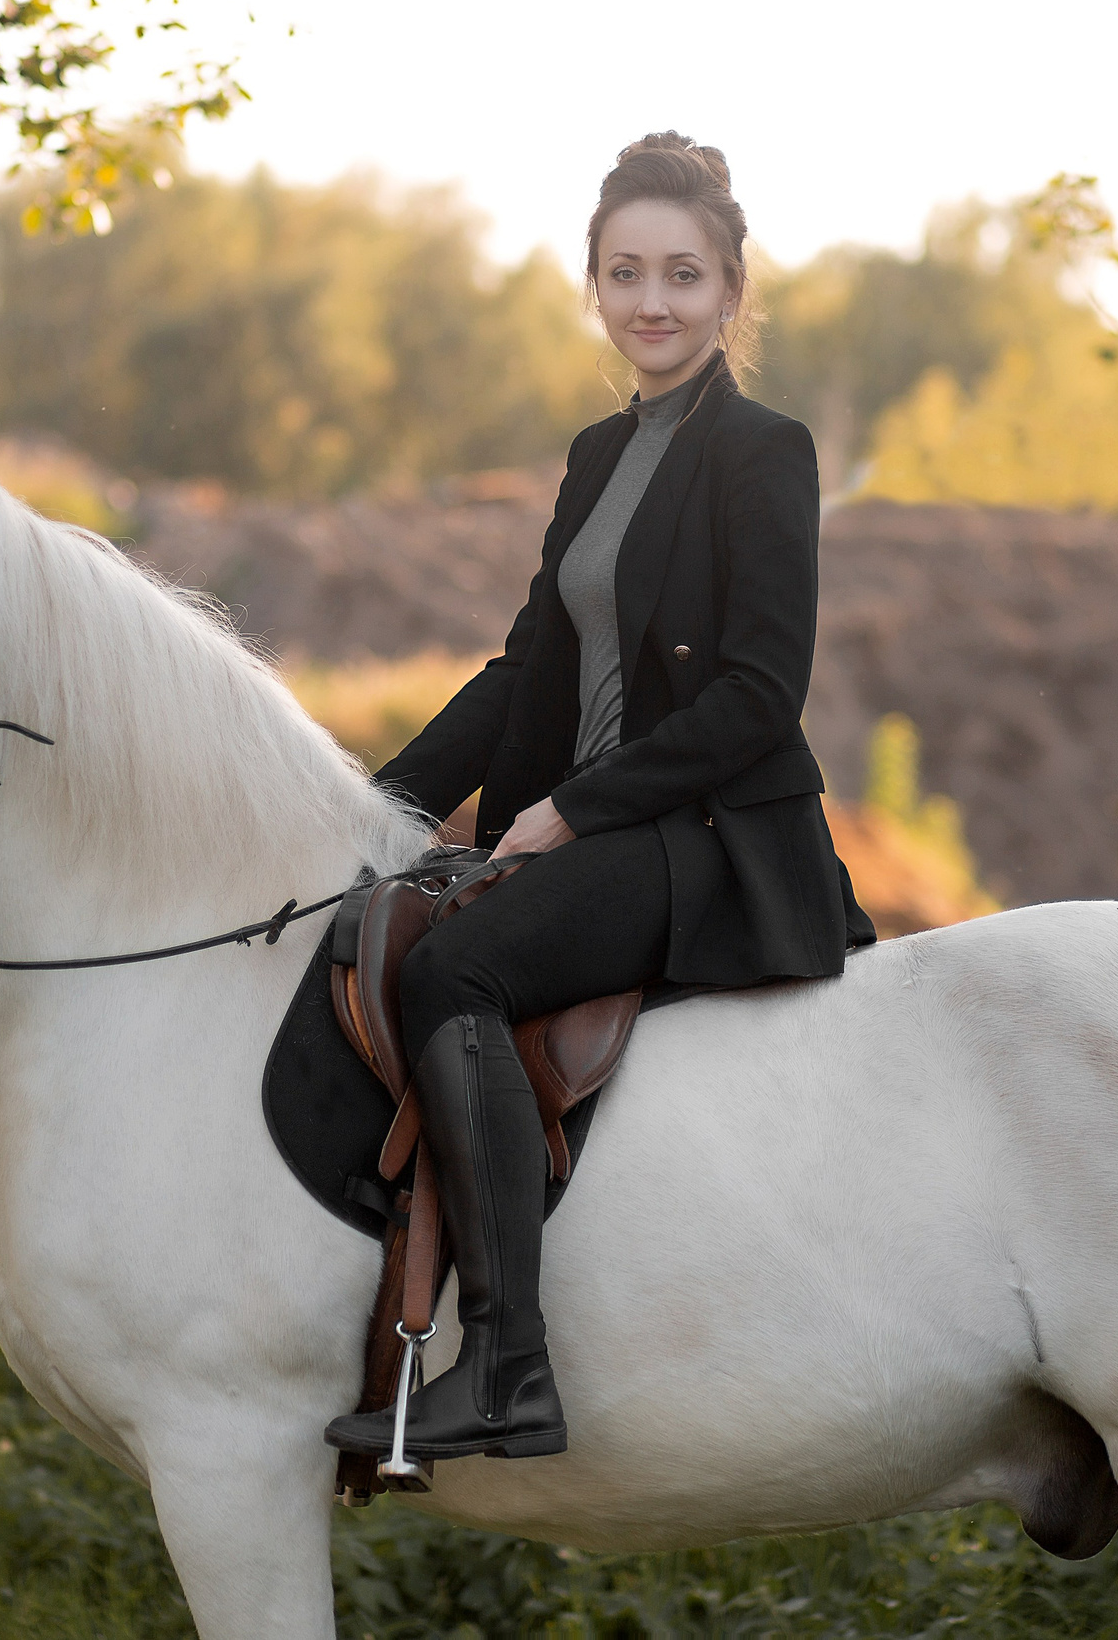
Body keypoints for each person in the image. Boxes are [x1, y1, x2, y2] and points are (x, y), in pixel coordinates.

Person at [324, 132, 876, 1466]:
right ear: (593, 285)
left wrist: (572, 812)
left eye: (683, 274)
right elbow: (529, 670)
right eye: (626, 273)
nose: (654, 302)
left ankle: (507, 1365)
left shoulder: (766, 451)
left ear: (732, 288)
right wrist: (371, 802)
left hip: (703, 838)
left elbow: (758, 694)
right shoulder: (594, 454)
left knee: (453, 975)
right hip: (604, 823)